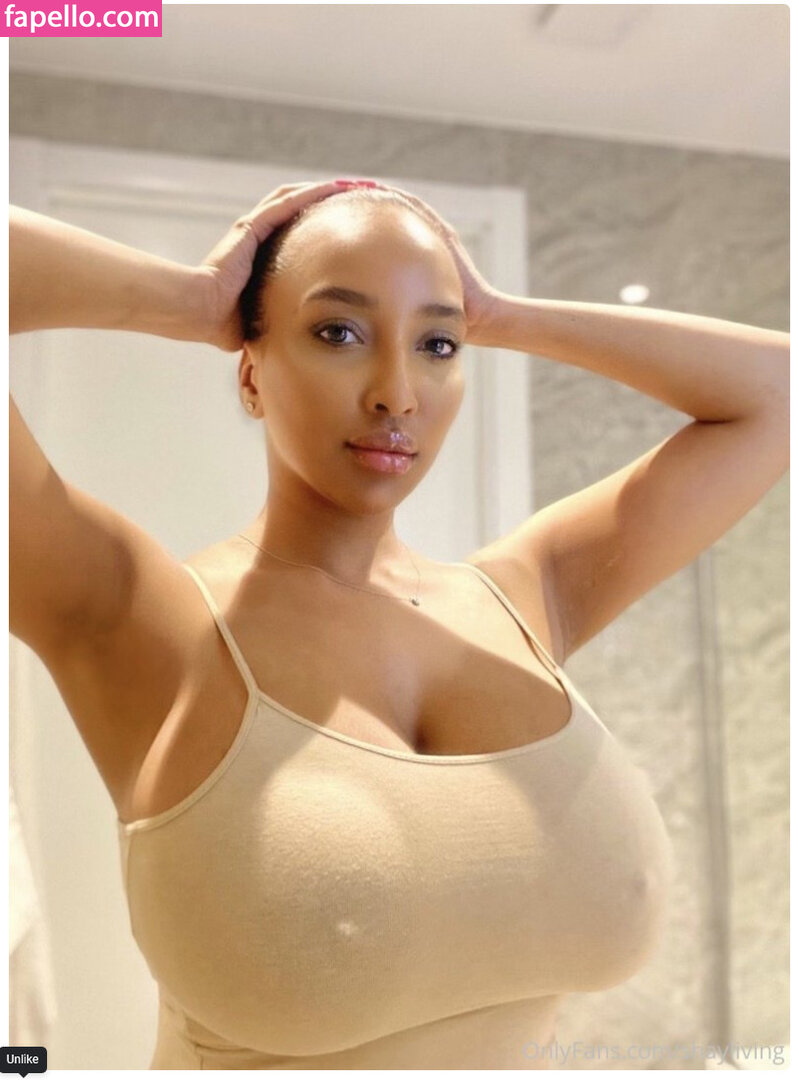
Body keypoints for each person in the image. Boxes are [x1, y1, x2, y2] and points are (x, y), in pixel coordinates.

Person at [9, 179, 789, 1070]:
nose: (396, 392)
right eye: (337, 332)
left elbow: (778, 391)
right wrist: (191, 298)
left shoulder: (527, 598)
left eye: (436, 345)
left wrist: (499, 313)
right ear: (251, 371)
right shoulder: (134, 619)